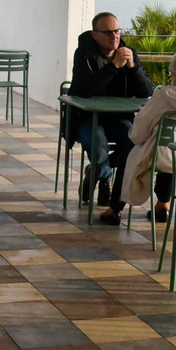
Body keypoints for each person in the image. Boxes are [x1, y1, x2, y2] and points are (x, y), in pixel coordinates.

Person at [106, 50, 176, 225]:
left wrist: (149, 109)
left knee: (138, 152)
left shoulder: (164, 95)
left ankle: (114, 209)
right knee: (169, 146)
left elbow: (138, 134)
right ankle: (162, 206)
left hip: (168, 157)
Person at [69, 12, 153, 206]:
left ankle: (96, 171)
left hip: (117, 117)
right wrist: (114, 67)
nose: (114, 37)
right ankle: (106, 179)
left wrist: (133, 67)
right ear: (95, 35)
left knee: (135, 144)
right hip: (86, 116)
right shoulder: (84, 54)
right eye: (107, 32)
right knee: (98, 144)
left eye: (116, 31)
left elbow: (146, 91)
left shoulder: (128, 52)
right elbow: (85, 90)